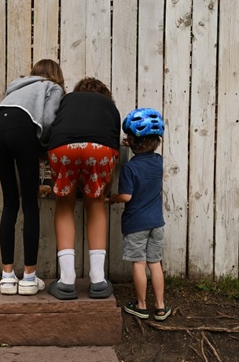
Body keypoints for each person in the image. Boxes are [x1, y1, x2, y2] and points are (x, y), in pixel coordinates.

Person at [0, 59, 65, 295]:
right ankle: (29, 278)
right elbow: (48, 121)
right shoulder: (52, 87)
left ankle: (7, 277)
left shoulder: (18, 86)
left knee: (10, 202)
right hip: (23, 128)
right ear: (55, 74)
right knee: (30, 204)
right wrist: (44, 147)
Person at [47, 77, 121, 300]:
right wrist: (102, 191)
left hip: (62, 146)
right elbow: (113, 148)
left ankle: (66, 281)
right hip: (100, 148)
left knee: (64, 202)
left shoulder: (68, 101)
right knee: (96, 202)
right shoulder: (110, 108)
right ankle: (98, 280)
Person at [109, 108, 171, 321]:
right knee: (155, 263)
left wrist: (112, 197)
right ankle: (161, 307)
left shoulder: (129, 168)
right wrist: (136, 145)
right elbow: (146, 158)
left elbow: (126, 196)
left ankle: (142, 305)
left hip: (136, 224)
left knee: (139, 263)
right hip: (156, 223)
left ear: (134, 142)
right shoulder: (158, 161)